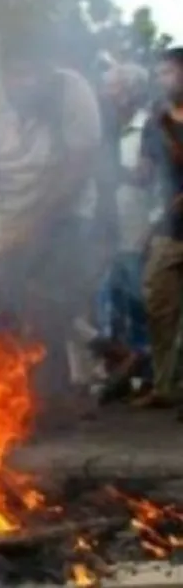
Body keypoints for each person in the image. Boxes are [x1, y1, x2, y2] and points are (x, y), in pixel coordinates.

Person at [0, 34, 103, 419]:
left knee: (45, 305)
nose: (27, 83)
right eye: (17, 74)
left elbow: (78, 166)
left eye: (34, 74)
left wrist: (38, 224)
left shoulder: (73, 93)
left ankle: (50, 402)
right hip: (3, 220)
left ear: (49, 71)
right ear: (3, 75)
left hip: (66, 215)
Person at [91, 64, 155, 402]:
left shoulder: (150, 128)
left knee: (139, 306)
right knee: (108, 305)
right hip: (111, 231)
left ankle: (147, 377)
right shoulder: (107, 130)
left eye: (115, 87)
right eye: (107, 87)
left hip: (139, 229)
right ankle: (120, 372)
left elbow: (150, 179)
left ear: (132, 91)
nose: (108, 94)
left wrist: (114, 172)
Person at [137, 48, 183, 410]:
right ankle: (165, 386)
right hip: (169, 230)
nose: (162, 79)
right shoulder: (154, 123)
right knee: (158, 306)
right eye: (160, 73)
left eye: (168, 72)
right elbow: (146, 174)